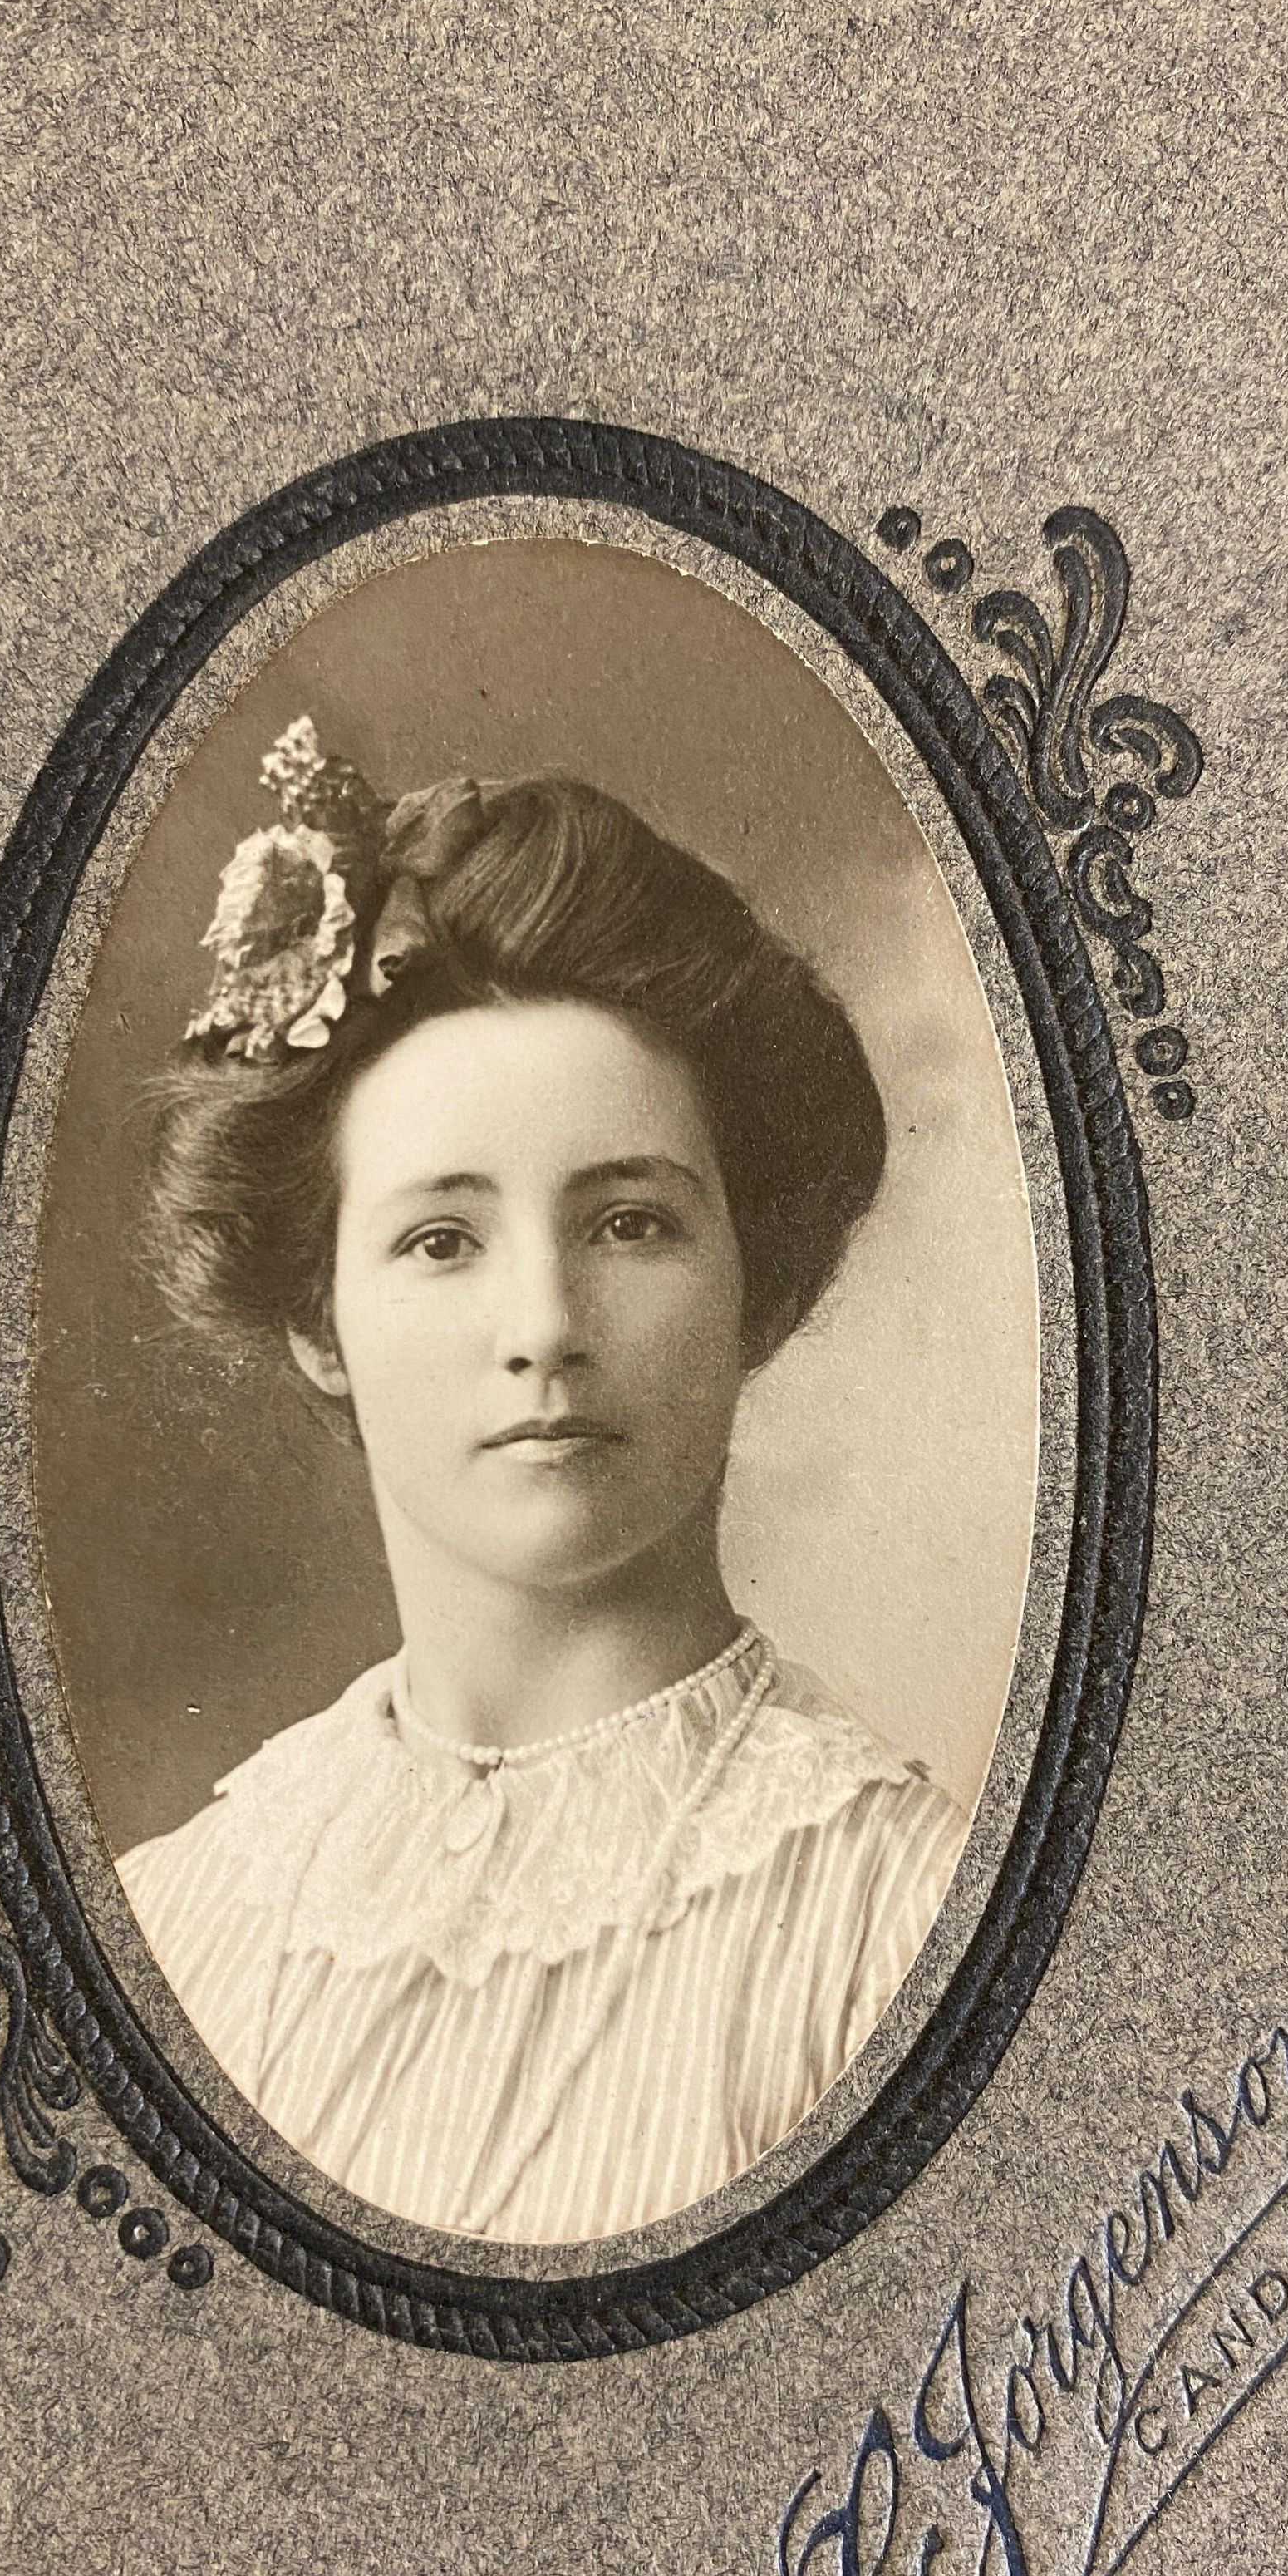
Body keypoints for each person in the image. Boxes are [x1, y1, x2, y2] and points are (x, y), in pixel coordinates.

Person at [116, 717, 967, 2245]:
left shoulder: (902, 1925)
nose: (545, 1329)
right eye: (442, 1240)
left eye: (631, 1224)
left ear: (755, 1282)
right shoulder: (170, 1924)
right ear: (317, 1317)